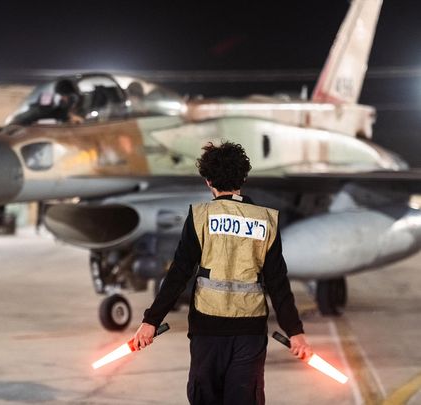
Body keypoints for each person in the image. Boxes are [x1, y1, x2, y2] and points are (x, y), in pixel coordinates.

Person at [133, 141, 312, 405]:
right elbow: (277, 282)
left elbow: (179, 273)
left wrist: (151, 321)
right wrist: (294, 331)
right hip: (249, 334)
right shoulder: (265, 220)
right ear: (244, 178)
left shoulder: (200, 217)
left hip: (207, 332)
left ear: (207, 181)